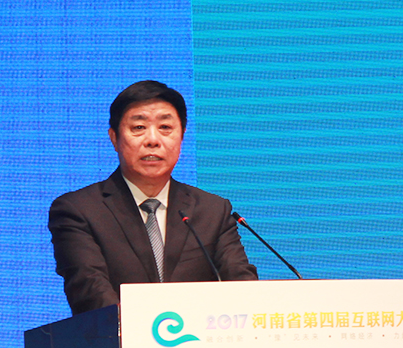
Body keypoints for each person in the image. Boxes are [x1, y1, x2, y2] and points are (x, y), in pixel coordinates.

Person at [49, 80, 257, 315]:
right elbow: (89, 290)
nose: (152, 140)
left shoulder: (213, 211)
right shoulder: (79, 210)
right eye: (138, 127)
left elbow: (242, 287)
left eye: (165, 127)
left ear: (182, 137)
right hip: (119, 338)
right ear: (114, 138)